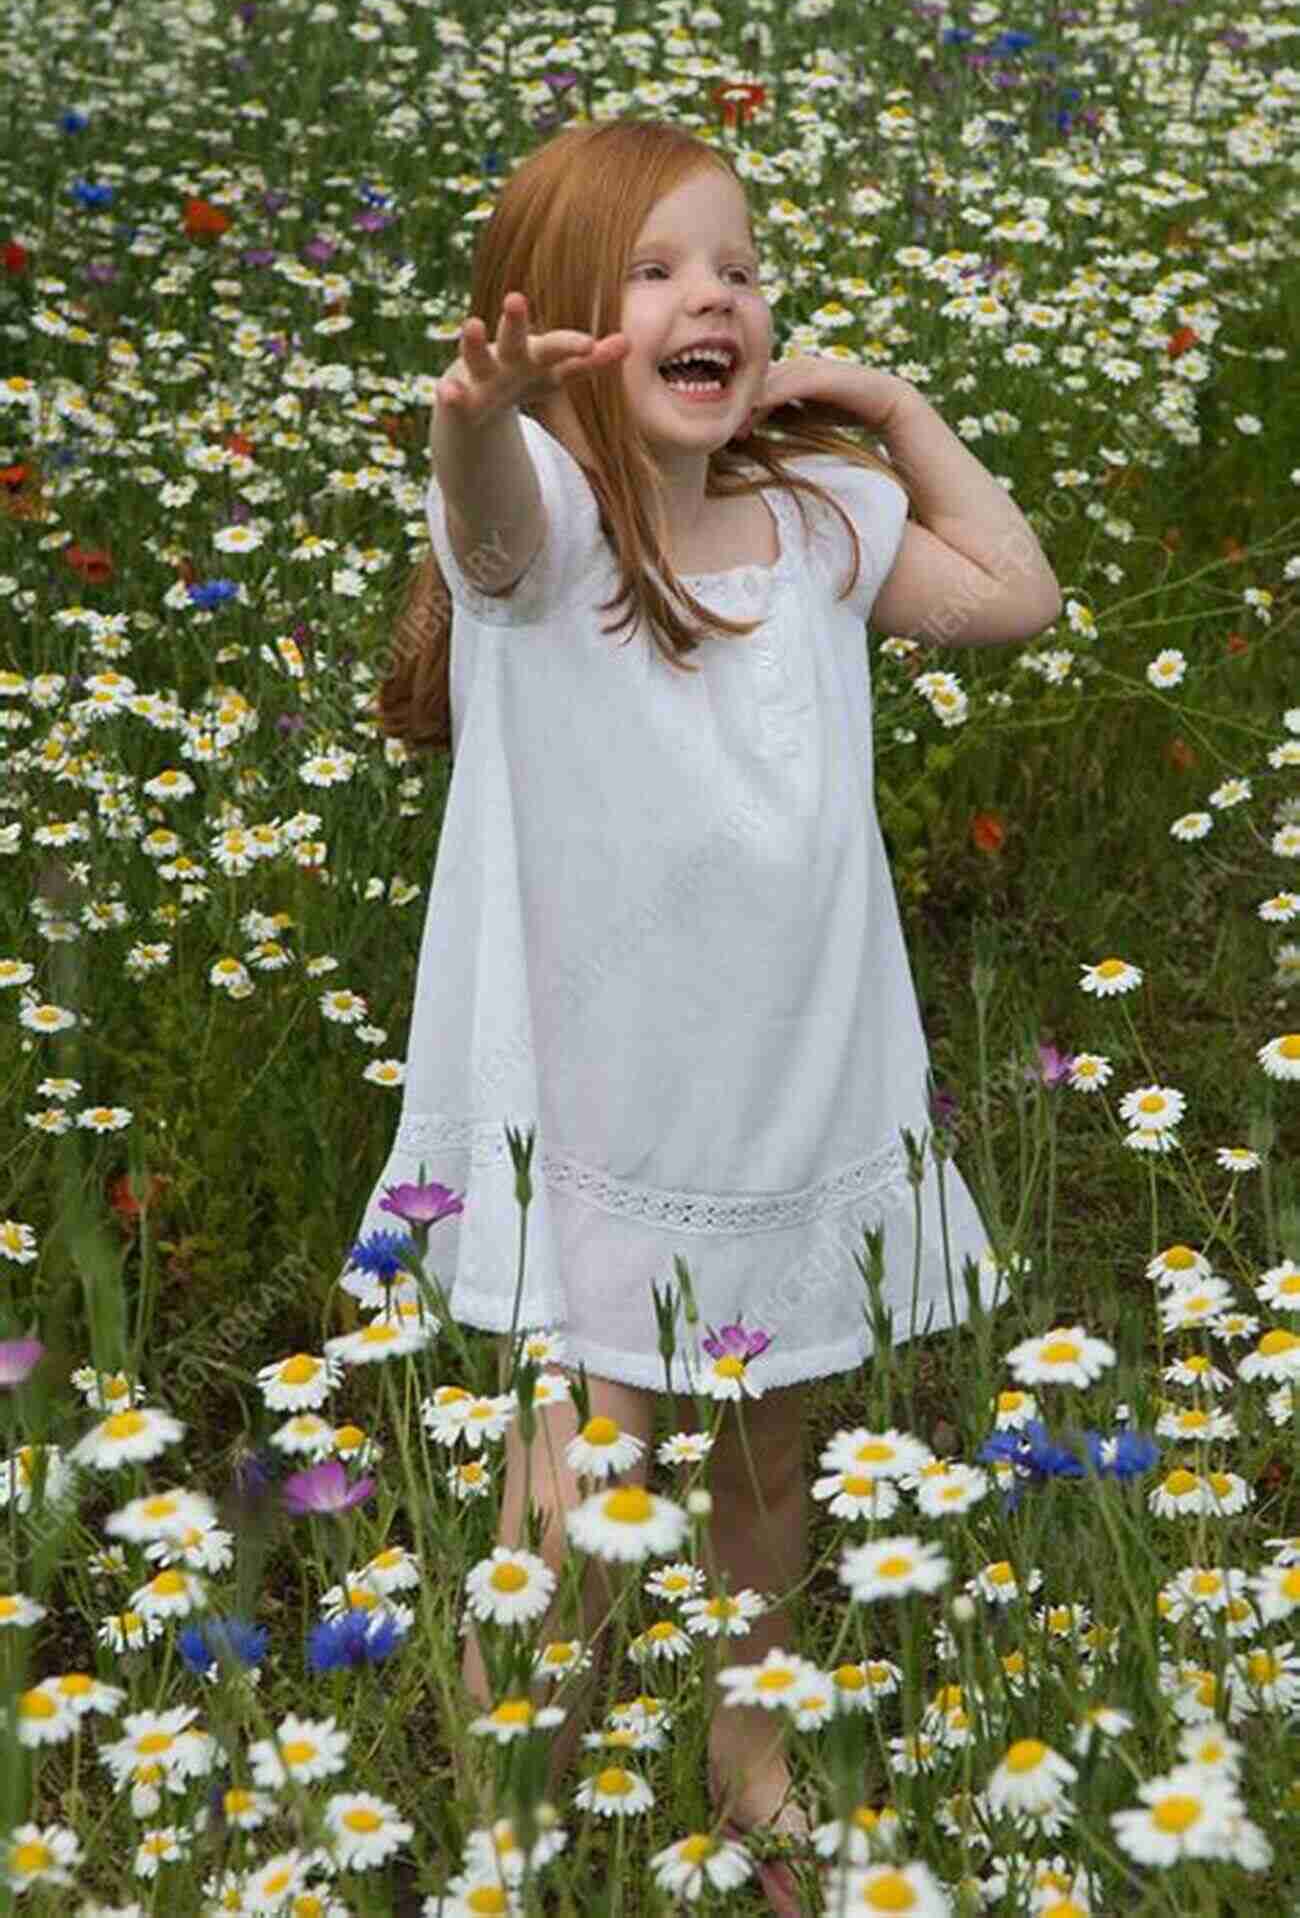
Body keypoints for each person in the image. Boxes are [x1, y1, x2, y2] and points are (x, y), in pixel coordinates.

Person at [356, 117, 1061, 1911]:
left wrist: (895, 410)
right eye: (657, 272)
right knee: (581, 1489)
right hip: (596, 1098)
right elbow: (488, 517)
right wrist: (477, 410)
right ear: (568, 330)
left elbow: (1019, 596)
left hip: (790, 1079)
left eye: (738, 270)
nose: (714, 299)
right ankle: (521, 1791)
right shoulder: (556, 534)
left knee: (769, 1459)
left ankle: (749, 1757)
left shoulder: (819, 521)